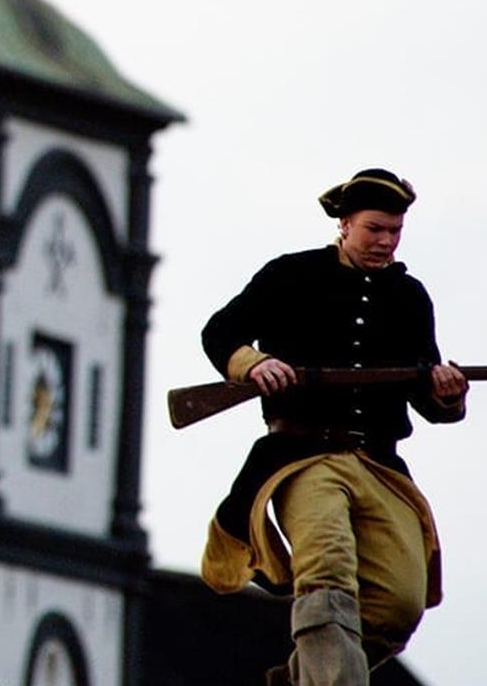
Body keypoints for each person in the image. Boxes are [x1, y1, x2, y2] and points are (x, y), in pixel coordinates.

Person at [198, 169, 467, 686]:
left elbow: (426, 394)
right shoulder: (290, 276)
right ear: (345, 224)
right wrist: (252, 363)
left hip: (380, 464)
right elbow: (221, 332)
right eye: (375, 229)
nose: (386, 241)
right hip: (303, 458)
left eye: (394, 231)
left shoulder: (410, 298)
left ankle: (303, 679)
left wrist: (446, 394)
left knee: (399, 602)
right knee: (327, 577)